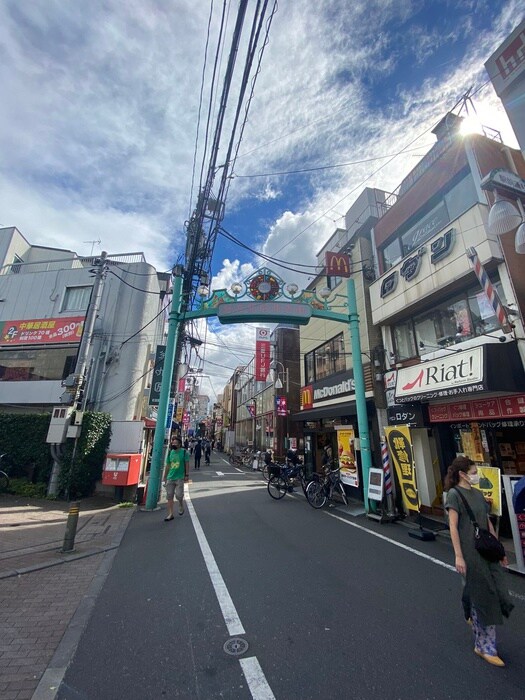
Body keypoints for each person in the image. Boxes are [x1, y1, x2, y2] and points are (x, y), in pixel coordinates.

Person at [444, 456, 514, 667]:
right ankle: (485, 646)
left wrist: (499, 549)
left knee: (497, 589)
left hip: (486, 550)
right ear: (463, 474)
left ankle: (471, 610)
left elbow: (486, 522)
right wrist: (458, 555)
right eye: (474, 471)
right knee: (484, 595)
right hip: (471, 553)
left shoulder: (478, 494)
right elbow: (453, 526)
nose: (477, 475)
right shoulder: (454, 495)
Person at [163, 435, 189, 521]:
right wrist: (164, 477)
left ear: (179, 444)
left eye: (175, 443)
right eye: (172, 442)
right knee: (169, 496)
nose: (173, 444)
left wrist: (186, 475)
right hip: (170, 477)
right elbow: (168, 465)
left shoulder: (184, 452)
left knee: (178, 495)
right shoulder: (170, 452)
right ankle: (170, 514)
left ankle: (181, 504)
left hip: (180, 477)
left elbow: (186, 464)